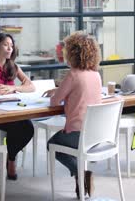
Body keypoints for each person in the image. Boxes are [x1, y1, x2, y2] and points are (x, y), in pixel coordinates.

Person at [44, 32, 102, 199]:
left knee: (52, 145)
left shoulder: (73, 74)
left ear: (72, 53)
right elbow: (81, 92)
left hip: (76, 134)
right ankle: (82, 178)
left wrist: (58, 92)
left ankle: (80, 174)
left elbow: (55, 102)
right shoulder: (96, 75)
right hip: (94, 134)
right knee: (66, 145)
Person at [0, 33, 35, 180]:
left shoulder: (13, 66)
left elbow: (31, 86)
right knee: (20, 128)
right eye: (5, 45)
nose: (9, 48)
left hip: (12, 111)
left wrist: (13, 89)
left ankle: (9, 159)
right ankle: (11, 162)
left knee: (28, 128)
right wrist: (14, 88)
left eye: (11, 46)